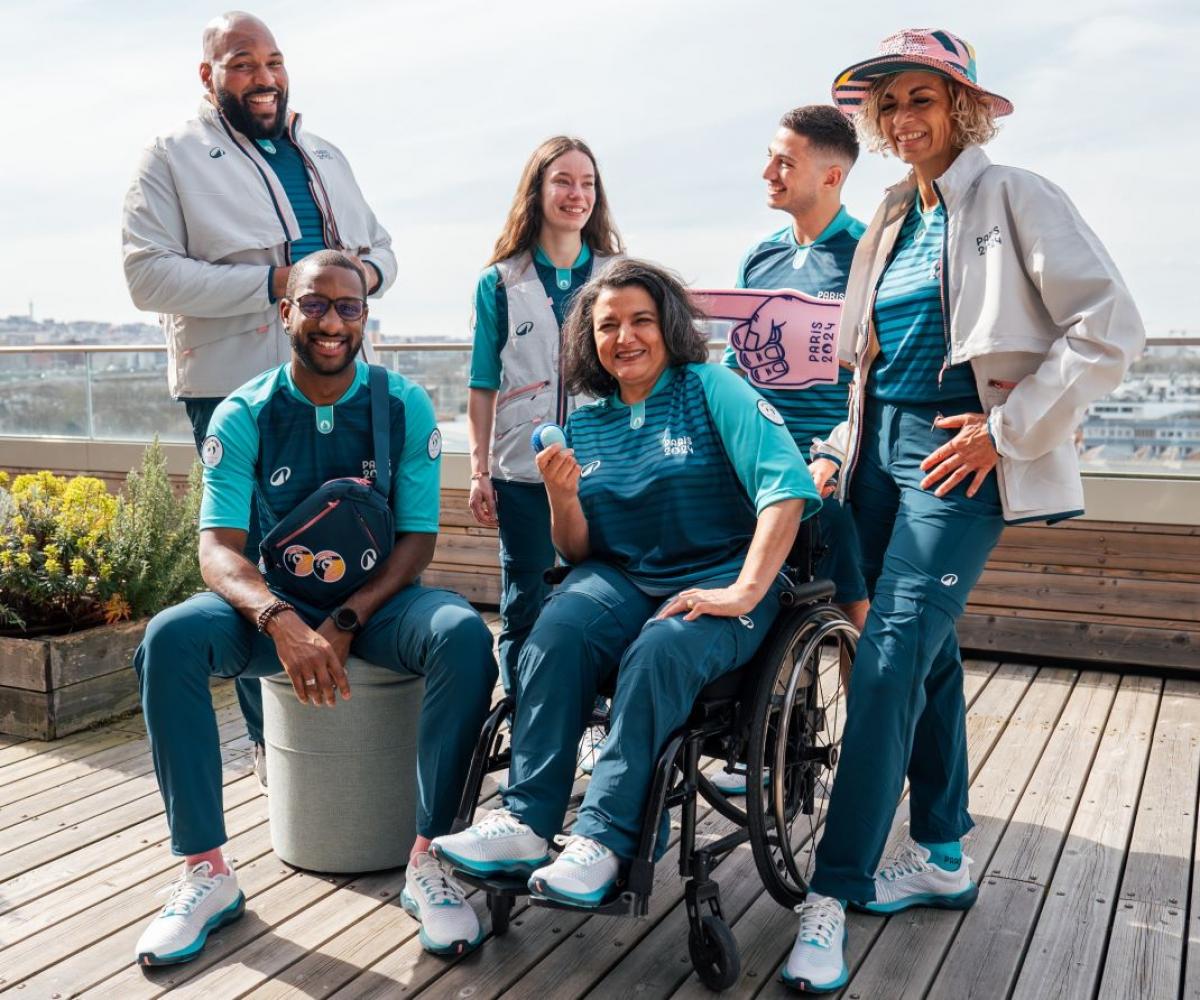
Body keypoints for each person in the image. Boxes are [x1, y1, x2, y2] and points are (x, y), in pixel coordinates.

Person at [783, 29, 1145, 992]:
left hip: (959, 458)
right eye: (888, 104)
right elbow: (863, 369)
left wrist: (1006, 428)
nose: (903, 120)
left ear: (963, 108)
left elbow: (1110, 326)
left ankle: (834, 892)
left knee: (894, 652)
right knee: (929, 657)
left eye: (921, 100)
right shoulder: (894, 216)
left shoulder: (1015, 194)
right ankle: (942, 853)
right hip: (873, 460)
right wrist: (832, 451)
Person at [131, 252, 497, 967]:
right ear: (285, 313)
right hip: (279, 609)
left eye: (349, 307)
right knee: (170, 637)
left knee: (461, 633)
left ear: (365, 317)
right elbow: (218, 552)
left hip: (382, 608)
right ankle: (205, 871)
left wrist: (346, 620)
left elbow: (417, 542)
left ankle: (429, 856)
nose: (332, 321)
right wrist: (281, 621)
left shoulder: (401, 404)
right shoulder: (245, 412)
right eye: (316, 304)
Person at [432, 259, 821, 908]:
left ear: (669, 325)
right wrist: (562, 496)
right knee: (553, 634)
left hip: (723, 574)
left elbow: (785, 489)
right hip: (626, 576)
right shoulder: (586, 423)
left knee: (659, 649)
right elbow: (579, 548)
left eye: (641, 319)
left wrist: (745, 591)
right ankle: (528, 823)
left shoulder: (711, 388)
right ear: (590, 340)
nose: (625, 336)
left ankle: (602, 841)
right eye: (607, 325)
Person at [121, 12, 396, 773]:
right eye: (241, 63)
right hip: (237, 391)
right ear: (207, 75)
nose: (263, 76)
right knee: (257, 567)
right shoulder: (171, 155)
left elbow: (384, 253)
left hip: (347, 387)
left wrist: (358, 281)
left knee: (356, 547)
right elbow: (147, 275)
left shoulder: (325, 152)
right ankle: (275, 745)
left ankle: (354, 728)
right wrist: (278, 283)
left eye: (273, 60)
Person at [712, 106, 868, 799]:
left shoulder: (867, 255)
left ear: (831, 175)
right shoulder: (760, 255)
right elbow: (737, 362)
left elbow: (874, 374)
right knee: (769, 603)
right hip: (767, 467)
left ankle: (872, 756)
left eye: (786, 161)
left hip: (844, 467)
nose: (767, 172)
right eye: (769, 157)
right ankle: (760, 739)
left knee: (856, 624)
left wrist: (832, 456)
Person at [466, 136, 623, 691]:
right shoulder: (500, 282)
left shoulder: (617, 275)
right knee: (525, 598)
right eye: (562, 180)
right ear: (536, 190)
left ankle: (593, 718)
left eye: (587, 182)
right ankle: (521, 714)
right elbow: (483, 384)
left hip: (602, 467)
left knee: (601, 595)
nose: (576, 193)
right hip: (522, 472)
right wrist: (480, 471)